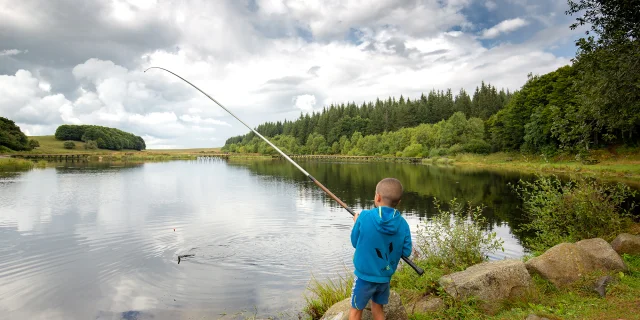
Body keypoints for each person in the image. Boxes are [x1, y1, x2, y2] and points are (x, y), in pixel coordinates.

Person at [349, 178, 412, 320]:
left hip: (364, 277)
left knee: (355, 310)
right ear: (399, 202)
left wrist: (356, 222)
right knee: (378, 308)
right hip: (384, 277)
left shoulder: (364, 216)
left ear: (377, 197)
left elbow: (354, 242)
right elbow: (406, 252)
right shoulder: (403, 224)